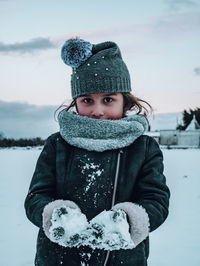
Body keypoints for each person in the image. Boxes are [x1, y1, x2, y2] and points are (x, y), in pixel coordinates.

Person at [24, 38, 170, 266]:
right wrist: (56, 215)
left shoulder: (143, 148)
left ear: (126, 103)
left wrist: (128, 221)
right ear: (76, 102)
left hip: (123, 260)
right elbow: (36, 198)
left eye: (108, 99)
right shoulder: (58, 145)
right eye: (87, 100)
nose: (97, 110)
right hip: (57, 260)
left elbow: (156, 200)